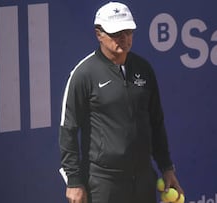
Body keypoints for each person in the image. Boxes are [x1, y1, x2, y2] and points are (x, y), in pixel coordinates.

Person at [59, 2, 184, 203]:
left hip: (143, 178)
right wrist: (74, 181)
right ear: (99, 33)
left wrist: (166, 167)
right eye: (116, 32)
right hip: (103, 182)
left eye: (128, 31)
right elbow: (69, 130)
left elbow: (156, 122)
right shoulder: (83, 74)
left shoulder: (144, 69)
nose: (124, 38)